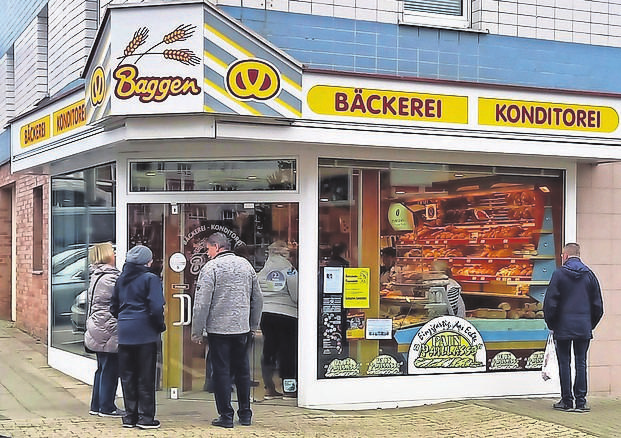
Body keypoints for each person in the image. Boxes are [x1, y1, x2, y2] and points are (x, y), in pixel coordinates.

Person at [191, 232, 263, 428]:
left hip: (218, 329)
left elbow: (202, 303)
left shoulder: (211, 268)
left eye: (208, 249)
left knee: (221, 372)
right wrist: (253, 325)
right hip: (241, 327)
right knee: (242, 371)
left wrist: (197, 330)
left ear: (217, 247)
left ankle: (226, 415)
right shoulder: (245, 266)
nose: (207, 253)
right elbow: (257, 299)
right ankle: (246, 413)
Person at [543, 243, 604, 413]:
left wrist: (552, 323)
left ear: (566, 256)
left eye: (562, 255)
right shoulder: (590, 275)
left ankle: (567, 401)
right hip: (583, 327)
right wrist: (589, 324)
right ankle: (581, 401)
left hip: (563, 327)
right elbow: (598, 306)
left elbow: (550, 303)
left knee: (564, 363)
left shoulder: (559, 274)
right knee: (581, 362)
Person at [110, 245, 166, 430]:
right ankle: (146, 418)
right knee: (145, 376)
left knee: (127, 376)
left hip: (125, 333)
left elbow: (113, 307)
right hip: (145, 333)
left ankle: (130, 416)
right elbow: (156, 308)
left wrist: (126, 320)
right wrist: (159, 326)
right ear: (146, 262)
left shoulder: (121, 280)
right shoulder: (150, 279)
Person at [84, 242, 122, 417]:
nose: (114, 254)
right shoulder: (110, 278)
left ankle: (96, 405)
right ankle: (107, 407)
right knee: (110, 368)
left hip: (98, 325)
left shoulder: (97, 275)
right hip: (108, 327)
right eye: (112, 251)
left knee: (102, 367)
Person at [257, 241, 298, 399]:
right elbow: (296, 296)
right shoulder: (290, 271)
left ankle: (269, 388)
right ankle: (289, 388)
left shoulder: (262, 272)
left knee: (269, 350)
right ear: (283, 254)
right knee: (287, 353)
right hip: (287, 315)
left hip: (266, 314)